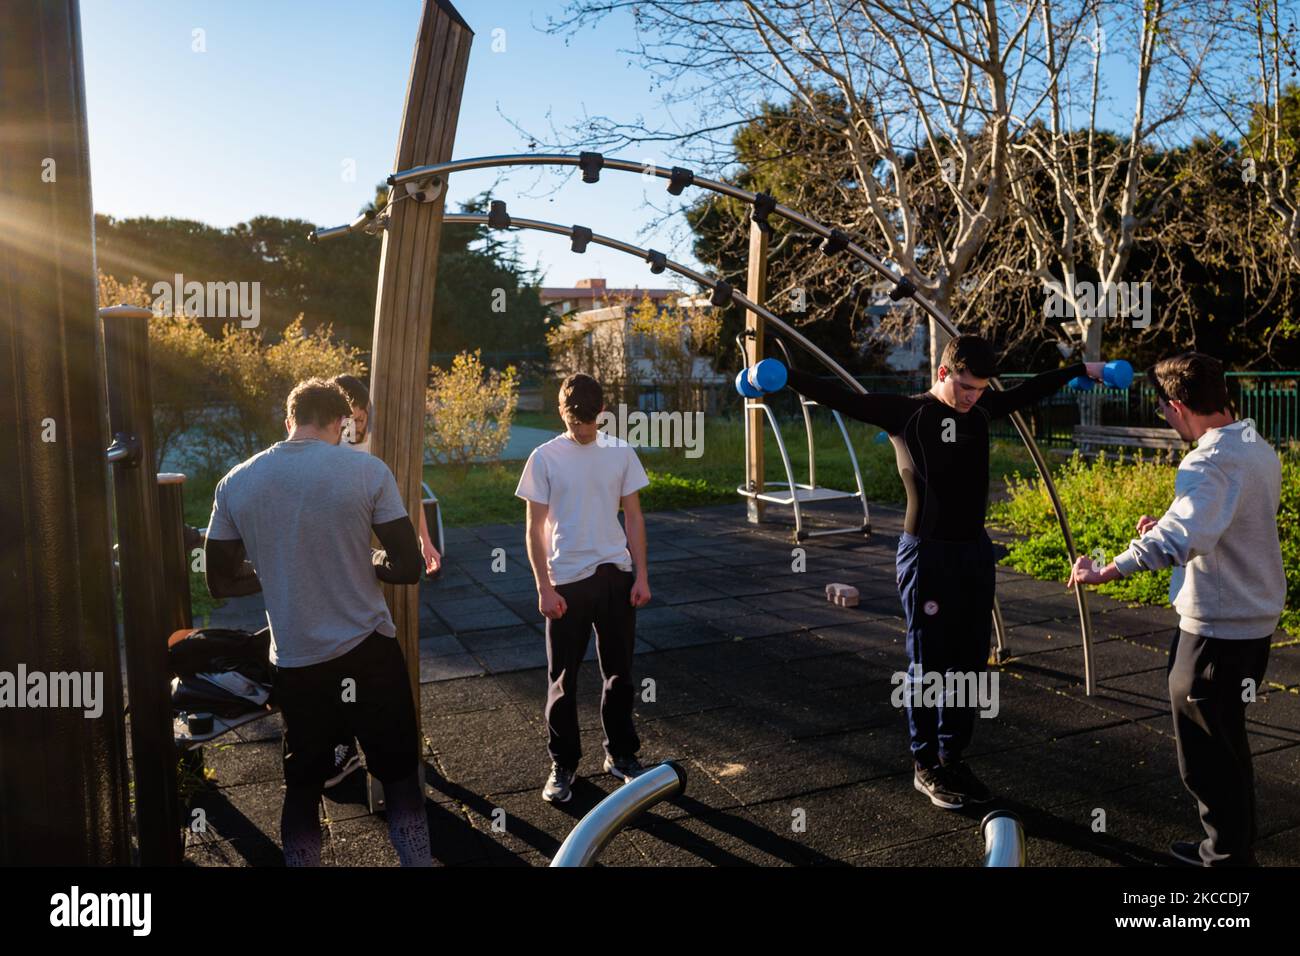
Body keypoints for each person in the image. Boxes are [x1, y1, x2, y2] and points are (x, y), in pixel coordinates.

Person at [775, 335, 1107, 809]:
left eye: (980, 388)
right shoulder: (906, 413)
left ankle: (953, 756)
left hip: (974, 552)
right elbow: (842, 397)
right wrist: (784, 375)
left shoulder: (985, 407)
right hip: (926, 554)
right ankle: (925, 764)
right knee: (929, 660)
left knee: (970, 659)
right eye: (966, 387)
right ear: (943, 373)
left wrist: (1080, 369)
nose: (973, 397)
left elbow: (1031, 390)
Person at [1068, 352, 1285, 866]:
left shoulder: (1208, 460)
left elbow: (1182, 536)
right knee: (1227, 746)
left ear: (1179, 404)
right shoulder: (1254, 443)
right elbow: (1218, 520)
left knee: (1205, 760)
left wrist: (1105, 568)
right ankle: (1228, 849)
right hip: (1249, 624)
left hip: (1216, 628)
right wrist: (1170, 524)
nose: (1165, 417)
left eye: (1164, 409)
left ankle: (1227, 863)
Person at [205, 378, 432, 867]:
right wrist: (366, 561)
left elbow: (219, 582)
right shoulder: (366, 471)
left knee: (303, 782)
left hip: (297, 658)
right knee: (396, 771)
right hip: (368, 651)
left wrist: (277, 566)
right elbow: (408, 567)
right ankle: (416, 860)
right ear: (341, 423)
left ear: (289, 422)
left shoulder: (237, 481)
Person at [515, 373, 653, 803]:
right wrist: (544, 587)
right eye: (576, 422)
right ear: (562, 413)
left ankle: (621, 755)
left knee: (620, 675)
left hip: (616, 575)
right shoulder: (544, 457)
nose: (583, 430)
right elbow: (534, 529)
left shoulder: (621, 452)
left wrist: (642, 576)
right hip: (567, 582)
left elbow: (633, 517)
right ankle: (564, 763)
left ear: (602, 414)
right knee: (563, 679)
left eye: (590, 421)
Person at [322, 374, 440, 789]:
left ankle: (386, 747)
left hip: (381, 551)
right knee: (341, 651)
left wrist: (424, 542)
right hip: (342, 558)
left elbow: (404, 496)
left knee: (380, 645)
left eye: (360, 417)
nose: (353, 426)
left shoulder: (376, 447)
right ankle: (344, 743)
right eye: (347, 419)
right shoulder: (324, 449)